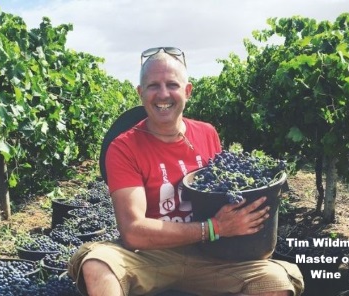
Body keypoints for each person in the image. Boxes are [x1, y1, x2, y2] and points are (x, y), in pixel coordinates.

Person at [68, 47, 304, 296]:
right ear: (140, 93)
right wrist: (213, 228)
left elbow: (224, 191)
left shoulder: (207, 134)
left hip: (212, 256)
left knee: (275, 281)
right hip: (150, 257)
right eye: (152, 86)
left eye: (172, 84)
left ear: (187, 91)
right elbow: (133, 232)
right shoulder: (124, 147)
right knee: (97, 265)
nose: (163, 94)